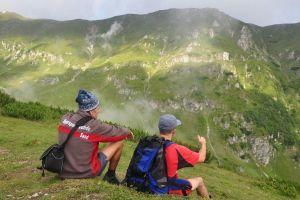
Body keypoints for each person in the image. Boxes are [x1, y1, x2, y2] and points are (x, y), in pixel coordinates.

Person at [58, 89, 133, 183]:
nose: (99, 110)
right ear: (92, 111)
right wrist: (128, 132)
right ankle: (110, 176)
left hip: (62, 170)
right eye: (97, 108)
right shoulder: (95, 126)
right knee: (119, 141)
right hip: (86, 172)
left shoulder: (65, 118)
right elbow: (117, 132)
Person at [158, 114, 210, 198]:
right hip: (166, 187)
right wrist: (203, 143)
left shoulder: (151, 144)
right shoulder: (176, 149)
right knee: (199, 180)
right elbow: (202, 158)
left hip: (151, 181)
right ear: (174, 131)